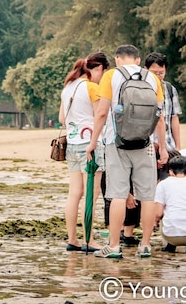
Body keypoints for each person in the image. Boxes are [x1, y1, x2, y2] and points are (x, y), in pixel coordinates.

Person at [87, 44, 166, 259]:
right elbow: (159, 116)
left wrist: (93, 142)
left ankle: (113, 246)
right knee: (148, 196)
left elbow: (102, 112)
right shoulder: (152, 78)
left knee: (118, 195)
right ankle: (146, 245)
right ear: (138, 60)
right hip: (145, 143)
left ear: (118, 59)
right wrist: (164, 148)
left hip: (116, 142)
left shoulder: (111, 75)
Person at [59, 55, 106, 252]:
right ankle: (89, 240)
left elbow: (62, 119)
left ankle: (73, 239)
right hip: (90, 145)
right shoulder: (92, 88)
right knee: (90, 196)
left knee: (74, 194)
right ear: (98, 69)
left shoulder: (67, 87)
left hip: (72, 144)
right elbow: (100, 116)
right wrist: (94, 142)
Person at [144, 52, 182, 154]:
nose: (157, 76)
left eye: (161, 73)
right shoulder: (139, 90)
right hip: (146, 146)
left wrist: (178, 146)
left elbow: (174, 118)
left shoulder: (170, 89)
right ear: (145, 70)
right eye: (154, 73)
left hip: (168, 144)